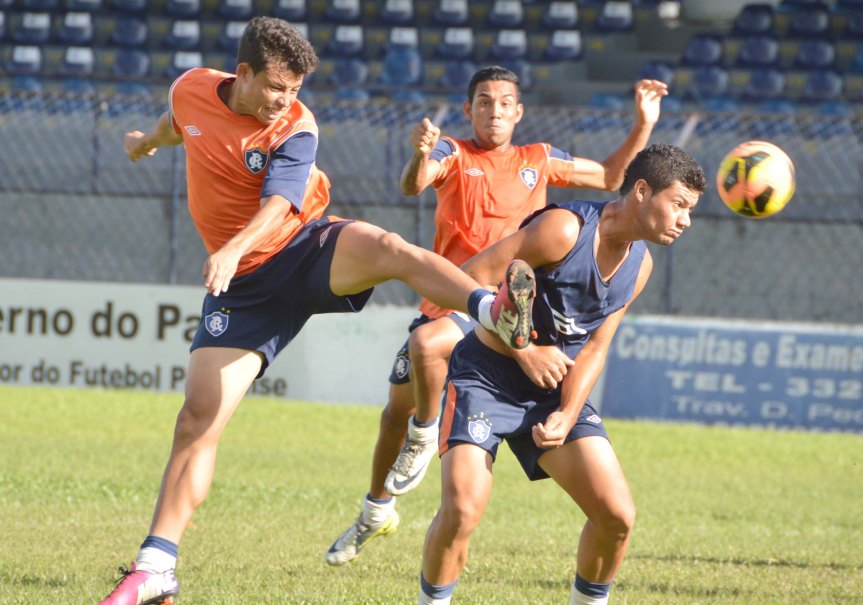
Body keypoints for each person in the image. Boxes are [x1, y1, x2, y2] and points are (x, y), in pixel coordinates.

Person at [97, 18, 535, 605]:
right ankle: (156, 566)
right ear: (244, 73)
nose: (286, 102)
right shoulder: (191, 88)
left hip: (303, 247)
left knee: (390, 249)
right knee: (197, 420)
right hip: (245, 290)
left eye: (296, 90)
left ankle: (490, 307)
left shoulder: (297, 126)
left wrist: (230, 246)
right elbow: (179, 124)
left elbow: (281, 203)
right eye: (278, 88)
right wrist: (145, 143)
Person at [326, 66, 669, 566]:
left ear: (519, 111)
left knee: (427, 351)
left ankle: (426, 435)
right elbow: (414, 183)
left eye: (505, 102)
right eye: (484, 102)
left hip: (504, 307)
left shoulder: (539, 159)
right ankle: (376, 509)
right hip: (452, 296)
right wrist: (421, 154)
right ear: (469, 111)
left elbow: (614, 178)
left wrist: (643, 124)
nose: (495, 111)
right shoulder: (453, 153)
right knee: (394, 411)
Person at [418, 144, 707, 605]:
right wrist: (524, 348)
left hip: (552, 393)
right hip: (485, 378)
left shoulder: (640, 266)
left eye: (690, 210)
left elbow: (595, 345)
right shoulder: (563, 231)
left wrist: (569, 414)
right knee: (461, 510)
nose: (685, 220)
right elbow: (469, 279)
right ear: (641, 189)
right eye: (679, 205)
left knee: (616, 516)